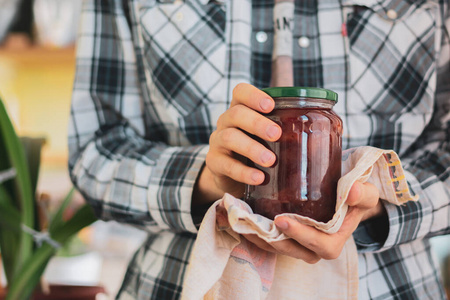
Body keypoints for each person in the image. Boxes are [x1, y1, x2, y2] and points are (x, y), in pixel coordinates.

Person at [68, 0, 450, 299]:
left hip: (389, 285)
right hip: (180, 282)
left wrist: (381, 201)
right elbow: (95, 148)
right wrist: (202, 179)